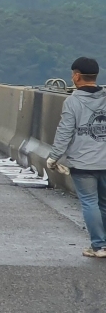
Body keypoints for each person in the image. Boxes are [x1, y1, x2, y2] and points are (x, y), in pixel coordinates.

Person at [47, 56, 106, 257]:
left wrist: (54, 157)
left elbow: (65, 132)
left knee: (90, 202)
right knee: (104, 203)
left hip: (83, 163)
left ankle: (98, 246)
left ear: (77, 76)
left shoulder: (72, 102)